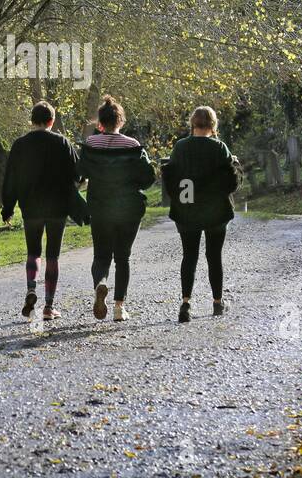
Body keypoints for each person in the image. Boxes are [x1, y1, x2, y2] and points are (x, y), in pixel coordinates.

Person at [78, 96, 155, 322]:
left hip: (100, 207)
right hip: (128, 209)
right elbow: (147, 179)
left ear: (100, 122)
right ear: (120, 121)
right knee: (123, 258)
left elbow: (80, 172)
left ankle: (101, 283)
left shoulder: (91, 146)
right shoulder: (133, 146)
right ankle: (119, 308)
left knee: (101, 255)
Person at [1, 101, 80, 321]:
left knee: (33, 252)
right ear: (51, 121)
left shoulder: (20, 145)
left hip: (31, 207)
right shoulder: (62, 142)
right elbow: (78, 173)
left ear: (32, 121)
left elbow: (10, 180)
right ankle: (48, 307)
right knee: (53, 255)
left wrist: (7, 208)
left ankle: (30, 288)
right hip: (57, 207)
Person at [161, 106, 239, 323]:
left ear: (192, 124)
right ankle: (217, 302)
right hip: (215, 211)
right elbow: (231, 183)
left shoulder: (180, 147)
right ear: (213, 125)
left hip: (187, 210)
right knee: (214, 257)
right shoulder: (219, 148)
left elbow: (172, 177)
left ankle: (185, 303)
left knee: (189, 256)